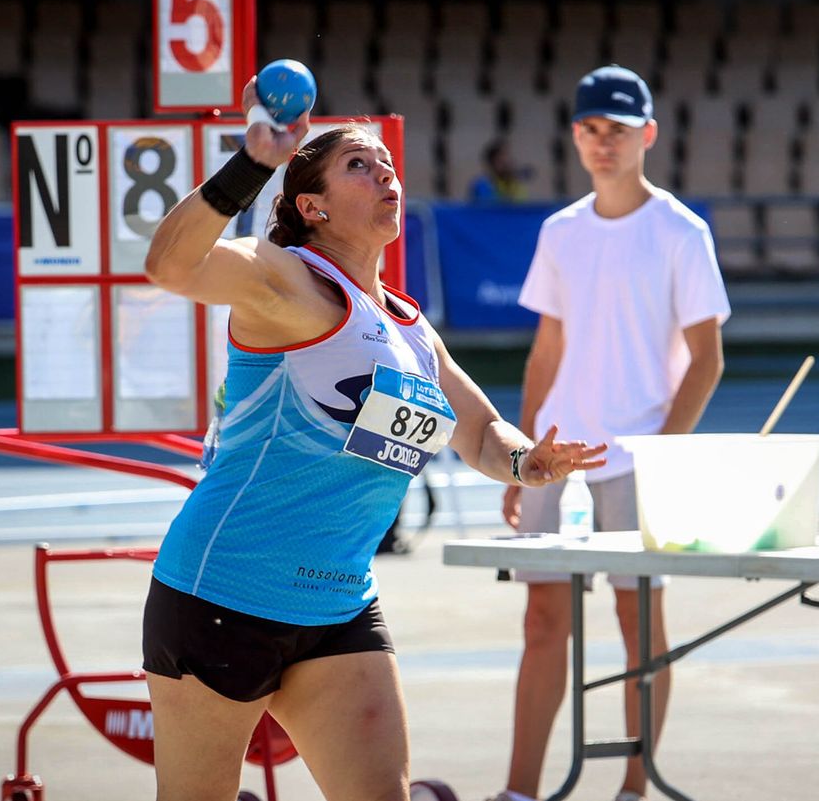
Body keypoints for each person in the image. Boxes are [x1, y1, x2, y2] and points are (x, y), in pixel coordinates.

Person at [141, 78, 606, 801]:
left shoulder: (411, 328)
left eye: (387, 161)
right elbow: (169, 266)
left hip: (337, 606)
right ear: (312, 205)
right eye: (359, 164)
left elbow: (479, 432)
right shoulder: (288, 282)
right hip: (225, 593)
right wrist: (252, 162)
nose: (386, 171)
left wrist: (526, 461)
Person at [489, 65, 730, 801]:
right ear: (575, 136)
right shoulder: (561, 230)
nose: (603, 142)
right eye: (590, 129)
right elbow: (546, 350)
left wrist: (663, 454)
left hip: (635, 457)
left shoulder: (681, 231)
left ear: (647, 134)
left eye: (617, 129)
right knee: (541, 621)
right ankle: (521, 790)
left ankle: (634, 786)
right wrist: (521, 458)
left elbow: (707, 360)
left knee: (637, 620)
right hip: (555, 455)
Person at [467, 138, 529, 204]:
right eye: (501, 160)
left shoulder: (516, 185)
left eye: (508, 157)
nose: (506, 162)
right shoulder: (481, 185)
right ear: (491, 163)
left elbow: (521, 206)